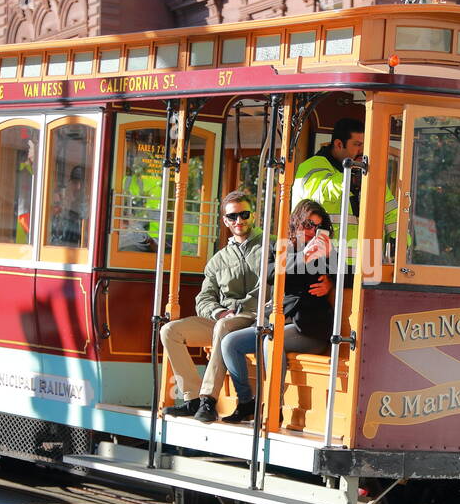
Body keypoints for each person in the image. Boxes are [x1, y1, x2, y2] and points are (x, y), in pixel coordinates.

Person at [218, 199, 336, 424]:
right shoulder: (281, 247)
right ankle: (246, 403)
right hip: (280, 322)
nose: (313, 231)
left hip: (311, 330)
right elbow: (271, 272)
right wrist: (304, 257)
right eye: (308, 224)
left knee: (270, 342)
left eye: (318, 227)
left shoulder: (326, 250)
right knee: (230, 343)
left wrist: (331, 280)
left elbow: (353, 275)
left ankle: (273, 406)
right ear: (296, 222)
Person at [159, 191, 264, 423]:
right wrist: (218, 311)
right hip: (224, 321)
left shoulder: (271, 246)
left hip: (256, 317)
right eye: (233, 216)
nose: (239, 221)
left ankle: (209, 400)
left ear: (253, 215)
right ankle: (194, 399)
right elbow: (203, 299)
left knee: (224, 326)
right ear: (226, 221)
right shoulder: (218, 259)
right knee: (169, 331)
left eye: (244, 214)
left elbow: (273, 285)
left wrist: (237, 308)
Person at [291, 117, 398, 261]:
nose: (362, 151)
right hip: (323, 262)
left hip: (364, 264)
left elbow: (391, 210)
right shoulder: (312, 166)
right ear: (339, 144)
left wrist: (400, 244)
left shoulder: (364, 172)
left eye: (364, 145)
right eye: (357, 144)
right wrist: (353, 173)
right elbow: (323, 192)